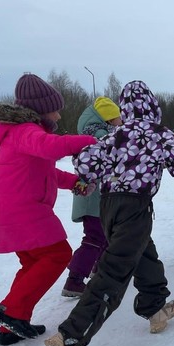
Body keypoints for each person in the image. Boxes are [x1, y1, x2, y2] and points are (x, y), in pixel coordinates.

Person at [44, 80, 174, 346]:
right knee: (115, 271)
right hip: (136, 205)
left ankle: (155, 306)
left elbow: (84, 161)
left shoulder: (114, 134)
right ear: (153, 106)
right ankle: (70, 337)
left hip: (108, 206)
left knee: (143, 251)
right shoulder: (158, 134)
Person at [0, 73, 96, 346]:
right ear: (42, 110)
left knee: (33, 263)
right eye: (55, 110)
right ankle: (9, 311)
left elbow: (45, 171)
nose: (58, 117)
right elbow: (51, 148)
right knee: (58, 255)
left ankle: (11, 326)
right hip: (23, 210)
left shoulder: (20, 134)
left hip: (11, 209)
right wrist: (90, 141)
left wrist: (74, 182)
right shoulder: (26, 131)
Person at [62, 97, 123, 297]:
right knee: (95, 237)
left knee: (104, 236)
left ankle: (99, 270)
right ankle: (75, 279)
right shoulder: (100, 136)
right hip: (92, 197)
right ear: (108, 119)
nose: (119, 121)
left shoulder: (97, 133)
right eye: (116, 118)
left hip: (95, 196)